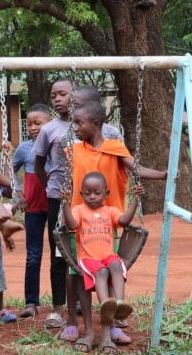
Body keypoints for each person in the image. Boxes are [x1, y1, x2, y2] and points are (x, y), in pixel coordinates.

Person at [64, 100, 168, 352]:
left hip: (106, 221)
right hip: (77, 222)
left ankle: (108, 331)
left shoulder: (115, 148)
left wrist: (164, 174)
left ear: (96, 124)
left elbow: (137, 170)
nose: (75, 127)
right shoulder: (75, 150)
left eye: (79, 123)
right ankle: (86, 330)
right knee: (79, 279)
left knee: (108, 273)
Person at [61, 172, 142, 354]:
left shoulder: (110, 211)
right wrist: (65, 203)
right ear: (81, 194)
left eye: (97, 193)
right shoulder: (79, 210)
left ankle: (119, 304)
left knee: (115, 265)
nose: (92, 196)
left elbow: (124, 220)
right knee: (102, 272)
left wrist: (135, 199)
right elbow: (72, 225)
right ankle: (107, 305)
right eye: (88, 193)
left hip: (108, 257)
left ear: (106, 193)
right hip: (88, 259)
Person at [33, 77, 76, 327]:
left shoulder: (87, 125)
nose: (57, 99)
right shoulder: (50, 129)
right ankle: (58, 308)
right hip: (57, 199)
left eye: (62, 94)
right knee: (58, 252)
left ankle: (80, 303)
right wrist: (51, 185)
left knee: (85, 250)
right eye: (53, 96)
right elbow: (39, 165)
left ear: (75, 94)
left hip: (85, 200)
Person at [12, 103, 52, 318]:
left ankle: (62, 303)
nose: (33, 127)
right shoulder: (24, 148)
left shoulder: (57, 144)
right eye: (30, 124)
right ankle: (31, 302)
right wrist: (17, 192)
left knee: (60, 255)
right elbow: (10, 169)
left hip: (57, 206)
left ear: (50, 123)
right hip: (34, 207)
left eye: (38, 123)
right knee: (33, 255)